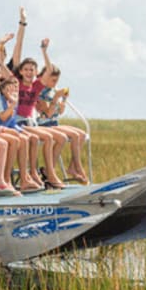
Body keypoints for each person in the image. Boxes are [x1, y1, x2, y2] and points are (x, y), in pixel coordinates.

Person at [0, 61, 39, 191]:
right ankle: (2, 180)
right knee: (13, 140)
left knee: (21, 139)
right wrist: (0, 129)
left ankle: (17, 179)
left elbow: (3, 116)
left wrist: (13, 104)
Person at [13, 41, 66, 188]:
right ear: (21, 71)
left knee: (51, 138)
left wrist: (44, 51)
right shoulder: (16, 82)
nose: (29, 72)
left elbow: (49, 69)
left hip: (31, 122)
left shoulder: (36, 85)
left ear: (36, 72)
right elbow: (15, 61)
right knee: (43, 137)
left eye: (32, 69)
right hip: (18, 122)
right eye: (26, 69)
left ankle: (47, 172)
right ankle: (37, 174)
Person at [36, 40, 88, 183]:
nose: (55, 83)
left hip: (55, 123)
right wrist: (56, 98)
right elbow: (47, 113)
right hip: (45, 126)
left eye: (56, 80)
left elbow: (59, 112)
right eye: (53, 80)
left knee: (81, 134)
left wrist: (63, 100)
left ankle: (72, 167)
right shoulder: (40, 92)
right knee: (65, 137)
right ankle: (54, 169)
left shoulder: (53, 91)